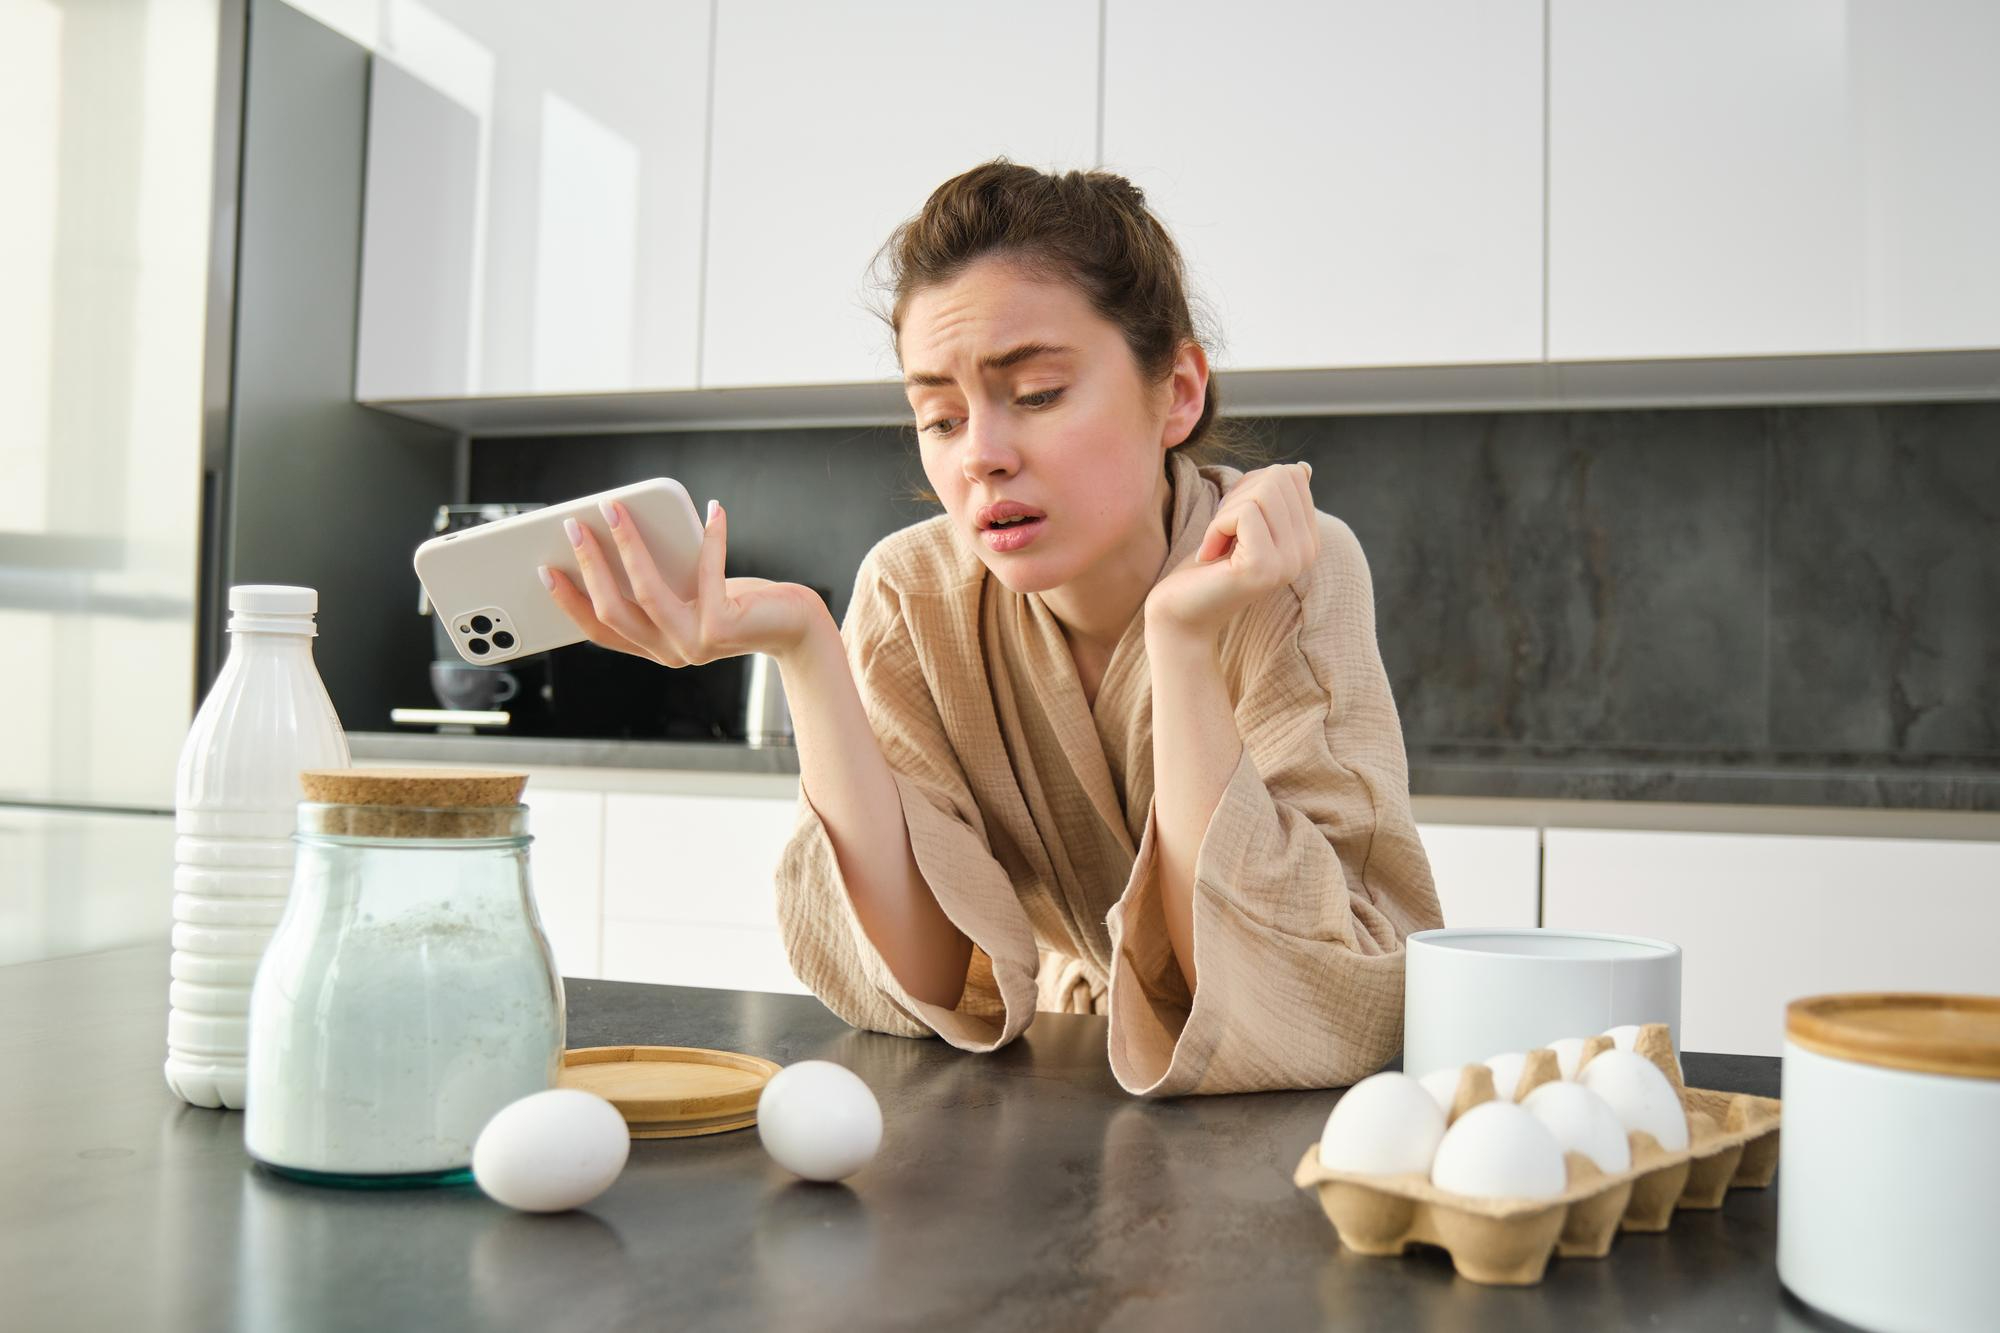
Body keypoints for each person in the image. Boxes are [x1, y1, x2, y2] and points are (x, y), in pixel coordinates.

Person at [543, 158, 1442, 1096]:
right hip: (1056, 1075)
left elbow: (1300, 990)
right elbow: (931, 982)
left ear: (1177, 391)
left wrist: (1180, 643)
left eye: (1039, 394)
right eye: (937, 415)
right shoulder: (911, 591)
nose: (981, 456)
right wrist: (806, 649)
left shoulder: (1284, 568)